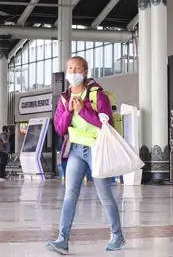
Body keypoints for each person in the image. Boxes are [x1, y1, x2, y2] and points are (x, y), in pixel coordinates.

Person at [46, 56, 125, 254]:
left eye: (77, 68)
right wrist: (68, 111)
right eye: (70, 68)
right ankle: (62, 239)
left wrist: (82, 111)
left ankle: (117, 235)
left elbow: (107, 125)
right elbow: (60, 129)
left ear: (85, 72)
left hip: (96, 149)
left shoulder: (97, 95)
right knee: (69, 195)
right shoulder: (64, 98)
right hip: (75, 150)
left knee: (104, 195)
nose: (73, 72)